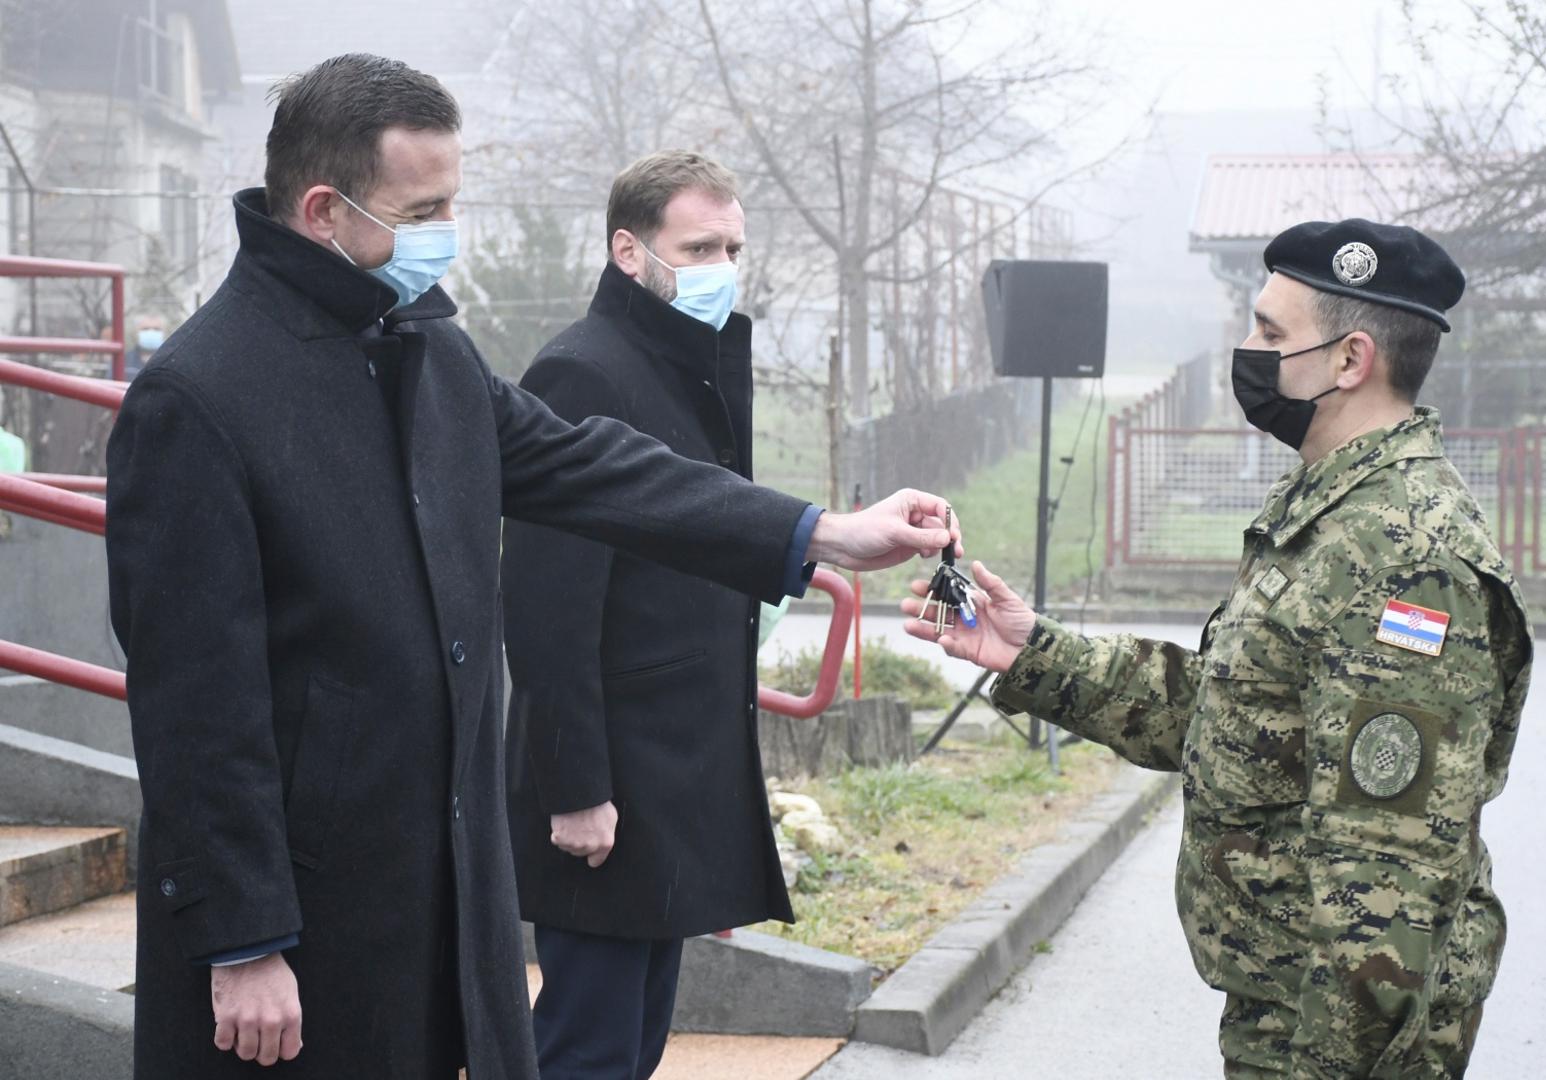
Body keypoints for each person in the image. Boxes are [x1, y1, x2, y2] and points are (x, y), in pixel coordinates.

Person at [105, 53, 959, 1080]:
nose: (444, 234)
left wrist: (820, 532)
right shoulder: (199, 398)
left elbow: (597, 466)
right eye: (422, 209)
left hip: (443, 894)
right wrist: (243, 939)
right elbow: (198, 708)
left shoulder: (426, 350)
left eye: (450, 202)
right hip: (307, 919)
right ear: (325, 209)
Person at [905, 220, 1533, 1077]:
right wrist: (1029, 655)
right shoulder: (1331, 510)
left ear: (1350, 361)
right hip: (1283, 1003)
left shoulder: (1406, 558)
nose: (1247, 350)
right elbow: (1234, 720)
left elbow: (1385, 889)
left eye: (1270, 333)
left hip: (1333, 1036)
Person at [501, 150, 788, 1080]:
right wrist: (574, 787)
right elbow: (546, 609)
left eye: (733, 246)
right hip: (610, 783)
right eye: (699, 246)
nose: (722, 267)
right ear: (629, 251)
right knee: (588, 1051)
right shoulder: (584, 373)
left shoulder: (681, 367)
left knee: (633, 1048)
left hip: (671, 774)